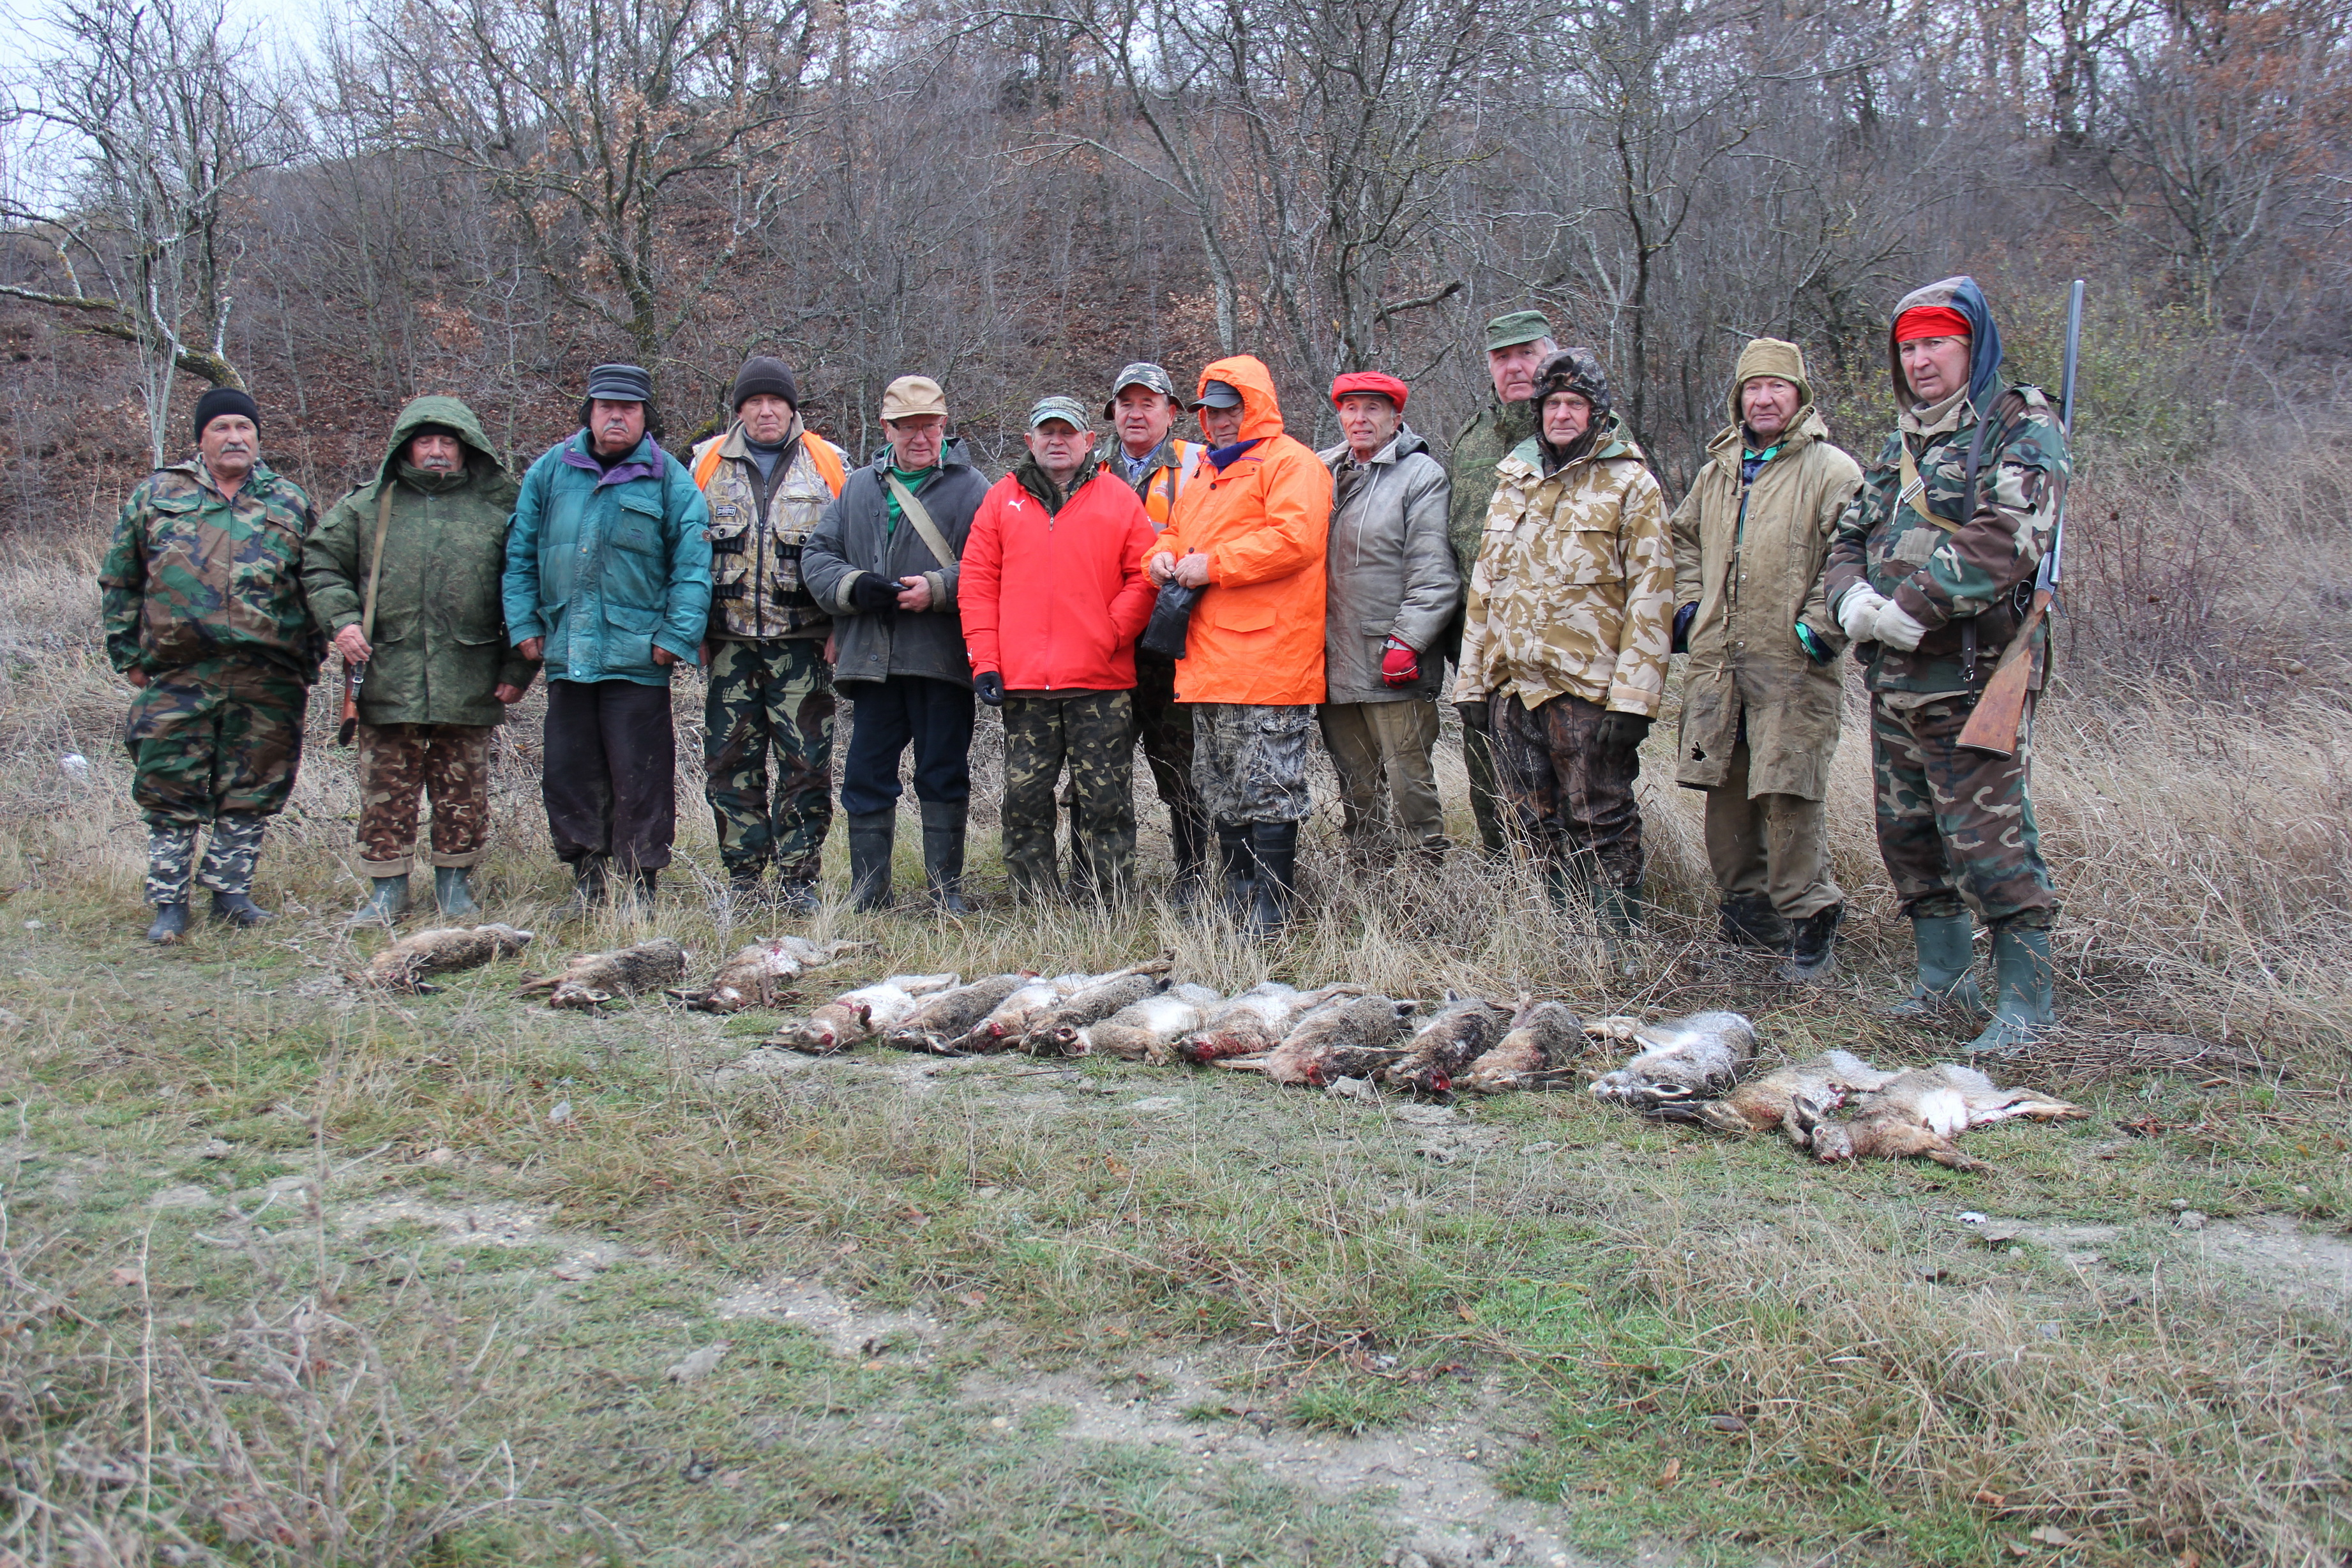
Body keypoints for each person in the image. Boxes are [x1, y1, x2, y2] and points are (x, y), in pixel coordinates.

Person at [1824, 276, 2070, 1056]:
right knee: (1908, 836)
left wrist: (1918, 603)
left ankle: (2027, 1003)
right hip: (1895, 678)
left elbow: (2011, 532)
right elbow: (1849, 533)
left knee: (1989, 840)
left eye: (1937, 343)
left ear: (1972, 347)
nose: (1921, 360)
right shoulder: (1903, 441)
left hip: (1975, 674)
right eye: (1909, 348)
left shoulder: (2018, 422)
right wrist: (1852, 598)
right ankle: (1943, 979)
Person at [1454, 348, 1671, 944]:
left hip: (1588, 689)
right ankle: (1560, 940)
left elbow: (1652, 596)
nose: (1563, 414)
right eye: (1552, 404)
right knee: (1530, 821)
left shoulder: (1631, 484)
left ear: (1597, 413)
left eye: (1576, 404)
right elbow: (1484, 589)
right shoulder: (1513, 482)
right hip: (1514, 689)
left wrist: (1634, 700)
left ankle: (1617, 942)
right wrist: (1472, 684)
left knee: (1601, 817)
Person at [1669, 339, 1862, 980]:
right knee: (1724, 791)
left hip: (1793, 665)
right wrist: (1690, 607)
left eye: (1778, 386)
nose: (1765, 398)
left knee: (1789, 793)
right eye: (1753, 387)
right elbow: (1684, 540)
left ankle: (1810, 923)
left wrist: (1817, 628)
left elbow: (1854, 552)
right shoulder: (1718, 471)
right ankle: (1747, 924)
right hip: (1719, 666)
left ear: (1800, 396)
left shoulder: (1831, 470)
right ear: (1739, 398)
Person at [101, 386, 322, 943]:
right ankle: (169, 904)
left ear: (258, 438)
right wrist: (128, 656)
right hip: (180, 671)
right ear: (201, 438)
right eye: (222, 427)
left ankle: (231, 894)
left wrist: (310, 659)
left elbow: (318, 585)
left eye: (244, 428)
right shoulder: (158, 494)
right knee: (169, 786)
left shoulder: (289, 501)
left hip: (268, 674)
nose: (235, 438)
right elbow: (121, 578)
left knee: (253, 786)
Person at [307, 396, 536, 924]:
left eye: (447, 442)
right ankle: (387, 891)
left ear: (467, 447)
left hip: (470, 673)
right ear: (405, 448)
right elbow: (320, 562)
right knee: (385, 789)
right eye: (425, 441)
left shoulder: (502, 506)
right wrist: (342, 621)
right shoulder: (368, 506)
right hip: (387, 670)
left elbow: (529, 586)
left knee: (464, 789)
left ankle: (455, 887)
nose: (436, 451)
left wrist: (518, 668)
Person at [502, 364, 712, 908]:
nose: (616, 417)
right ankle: (588, 879)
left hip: (639, 657)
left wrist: (675, 637)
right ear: (589, 413)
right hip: (566, 650)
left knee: (642, 776)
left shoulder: (671, 480)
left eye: (629, 409)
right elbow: (519, 556)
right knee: (570, 771)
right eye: (606, 407)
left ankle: (641, 883)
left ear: (646, 417)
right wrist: (524, 625)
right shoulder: (549, 472)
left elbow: (693, 568)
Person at [1143, 356, 1332, 938]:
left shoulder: (1292, 463)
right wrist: (1161, 558)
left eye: (1230, 411)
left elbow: (1296, 540)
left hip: (1270, 661)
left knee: (1269, 788)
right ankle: (1238, 900)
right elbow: (1174, 531)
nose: (1219, 422)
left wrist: (1214, 565)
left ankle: (1271, 912)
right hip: (1206, 661)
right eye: (1210, 412)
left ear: (1255, 407)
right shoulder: (1204, 472)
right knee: (1222, 787)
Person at [800, 375, 989, 913]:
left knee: (943, 772)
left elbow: (992, 564)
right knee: (865, 775)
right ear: (886, 428)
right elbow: (817, 556)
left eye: (929, 426)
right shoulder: (859, 487)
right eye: (907, 427)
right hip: (872, 661)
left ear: (944, 426)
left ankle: (946, 891)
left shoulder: (974, 488)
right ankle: (869, 891)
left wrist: (938, 589)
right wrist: (853, 587)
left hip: (941, 660)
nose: (920, 437)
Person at [961, 395, 1158, 901]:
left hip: (1100, 682)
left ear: (1089, 441)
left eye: (1067, 432)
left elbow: (1144, 576)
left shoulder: (1118, 498)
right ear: (1030, 441)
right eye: (1047, 433)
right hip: (1025, 686)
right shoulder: (1000, 500)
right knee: (1024, 800)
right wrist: (986, 661)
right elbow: (977, 585)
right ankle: (1036, 903)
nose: (1057, 441)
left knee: (1106, 800)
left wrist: (1111, 633)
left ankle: (1105, 899)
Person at [689, 356, 849, 912]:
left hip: (803, 644)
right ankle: (743, 879)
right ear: (739, 410)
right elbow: (685, 553)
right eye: (753, 402)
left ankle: (799, 879)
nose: (765, 411)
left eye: (775, 401)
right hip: (728, 645)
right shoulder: (705, 464)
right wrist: (693, 630)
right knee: (730, 763)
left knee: (806, 763)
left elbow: (851, 551)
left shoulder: (828, 464)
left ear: (791, 408)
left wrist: (842, 626)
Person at [1315, 370, 1457, 864]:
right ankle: (1370, 885)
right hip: (1332, 660)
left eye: (1373, 409)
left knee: (1409, 783)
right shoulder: (1318, 471)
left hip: (1392, 659)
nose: (1360, 419)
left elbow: (1435, 576)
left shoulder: (1420, 476)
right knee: (1356, 786)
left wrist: (1408, 642)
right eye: (1351, 408)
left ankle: (1427, 885)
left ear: (1396, 418)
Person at [1445, 310, 1557, 857]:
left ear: (1550, 355)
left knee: (1571, 777)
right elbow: (1453, 545)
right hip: (1483, 647)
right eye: (1502, 357)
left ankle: (1572, 885)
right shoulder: (1471, 440)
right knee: (1486, 768)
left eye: (1527, 354)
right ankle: (1504, 878)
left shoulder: (1585, 430)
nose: (1515, 367)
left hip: (1563, 647)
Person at [1103, 361, 1211, 901]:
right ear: (1112, 413)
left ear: (1172, 413)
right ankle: (1100, 880)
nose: (1136, 414)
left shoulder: (1200, 463)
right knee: (1098, 767)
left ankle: (1193, 876)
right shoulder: (1088, 467)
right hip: (1107, 643)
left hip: (1176, 644)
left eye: (1149, 403)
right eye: (1127, 404)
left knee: (1182, 767)